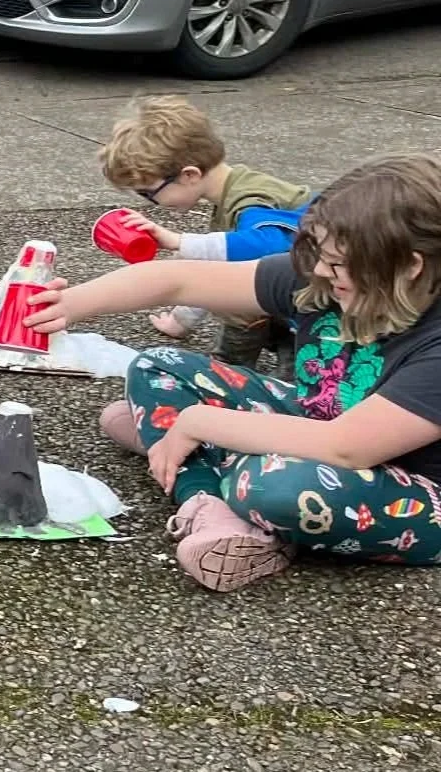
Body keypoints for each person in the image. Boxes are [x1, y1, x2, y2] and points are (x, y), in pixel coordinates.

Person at [26, 153, 441, 593]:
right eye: (321, 254)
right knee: (158, 365)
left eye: (339, 263)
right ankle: (209, 505)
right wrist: (69, 305)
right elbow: (179, 281)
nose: (321, 270)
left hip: (418, 488)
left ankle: (200, 457)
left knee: (275, 487)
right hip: (324, 424)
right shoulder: (327, 281)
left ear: (410, 265)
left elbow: (347, 448)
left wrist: (199, 422)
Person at [100, 94, 311, 375]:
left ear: (189, 175)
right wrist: (181, 319)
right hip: (310, 297)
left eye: (149, 193)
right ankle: (291, 354)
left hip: (334, 307)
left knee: (233, 288)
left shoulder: (250, 199)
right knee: (230, 271)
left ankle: (232, 369)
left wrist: (179, 241)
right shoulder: (232, 192)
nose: (152, 202)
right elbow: (215, 265)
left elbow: (267, 247)